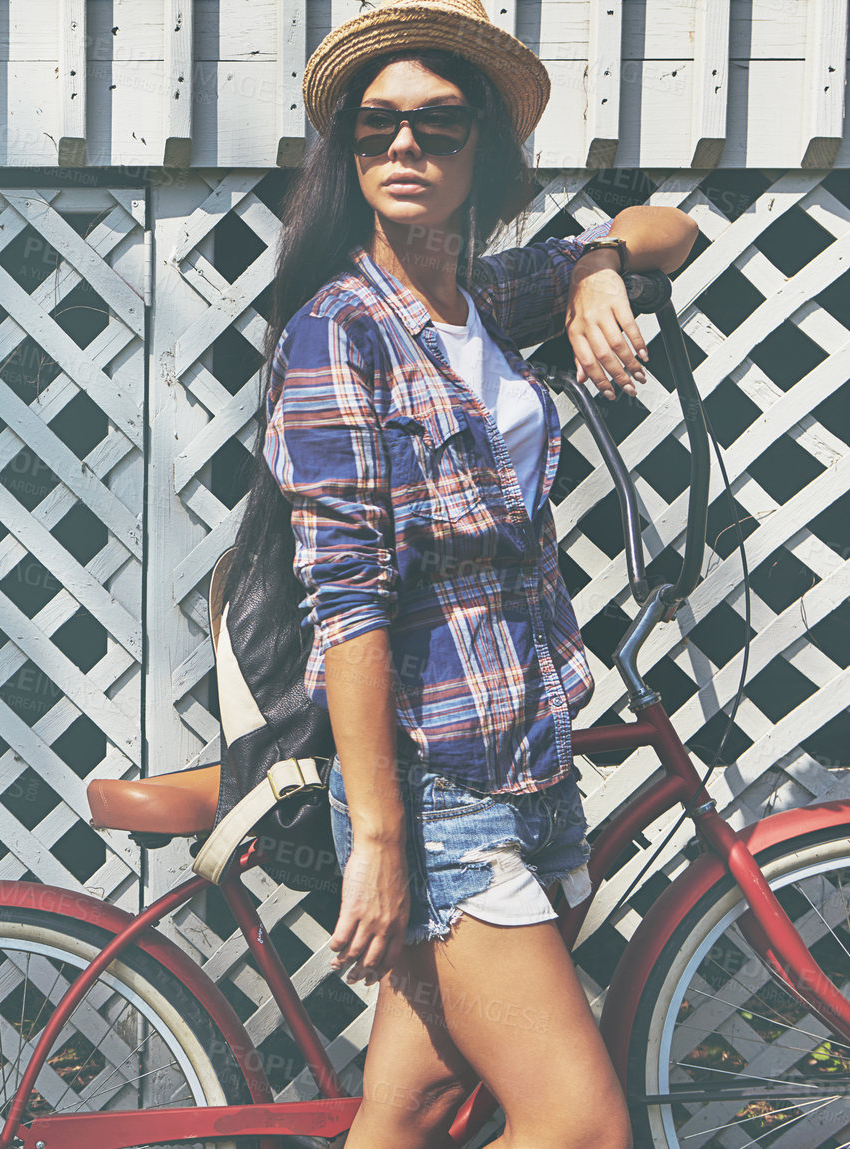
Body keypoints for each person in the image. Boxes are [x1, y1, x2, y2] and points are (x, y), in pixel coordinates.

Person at [238, 1, 699, 1145]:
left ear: (482, 150)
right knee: (579, 1127)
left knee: (417, 1106)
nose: (404, 148)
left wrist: (595, 271)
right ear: (345, 152)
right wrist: (383, 842)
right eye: (376, 126)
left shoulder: (479, 303)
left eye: (437, 127)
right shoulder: (337, 331)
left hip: (530, 766)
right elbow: (342, 598)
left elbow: (667, 229)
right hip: (435, 786)